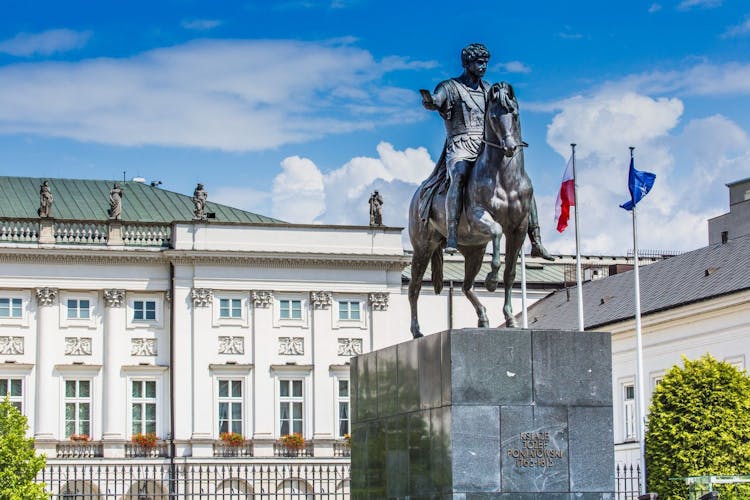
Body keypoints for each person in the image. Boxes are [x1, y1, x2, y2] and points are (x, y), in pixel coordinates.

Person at [421, 43, 553, 259]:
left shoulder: (490, 90)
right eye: (478, 62)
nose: (483, 67)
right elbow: (437, 100)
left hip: (488, 145)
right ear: (467, 64)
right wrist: (432, 101)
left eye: (485, 63)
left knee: (521, 183)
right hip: (461, 144)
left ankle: (536, 240)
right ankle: (452, 234)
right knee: (460, 175)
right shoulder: (450, 87)